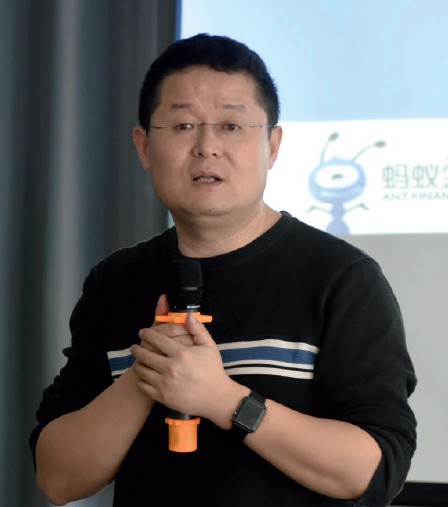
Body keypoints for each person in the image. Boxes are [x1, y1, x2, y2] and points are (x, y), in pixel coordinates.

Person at [30, 33, 417, 507]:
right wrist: (150, 373)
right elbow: (58, 478)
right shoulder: (115, 282)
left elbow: (373, 470)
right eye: (184, 125)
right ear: (144, 147)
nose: (207, 146)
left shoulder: (340, 278)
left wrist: (222, 399)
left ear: (272, 145)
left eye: (231, 126)